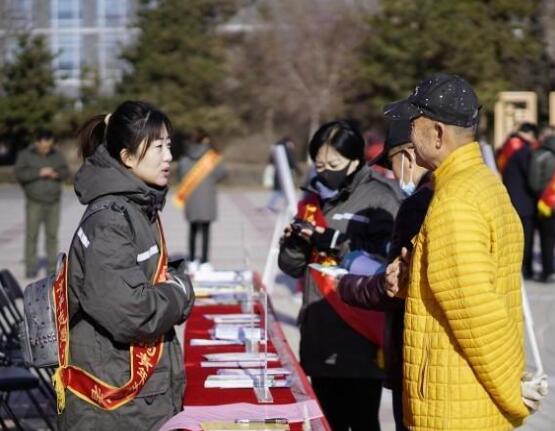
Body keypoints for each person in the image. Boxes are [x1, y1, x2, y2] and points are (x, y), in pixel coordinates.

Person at [384, 73, 530, 430]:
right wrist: (410, 278)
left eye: (413, 125)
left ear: (437, 133)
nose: (408, 136)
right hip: (468, 397)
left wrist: (513, 394)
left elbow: (478, 314)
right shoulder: (483, 184)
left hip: (454, 404)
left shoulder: (455, 202)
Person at [56, 101, 195, 430]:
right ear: (127, 157)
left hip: (135, 397)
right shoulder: (110, 220)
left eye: (169, 146)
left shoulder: (136, 207)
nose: (168, 157)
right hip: (114, 403)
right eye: (158, 147)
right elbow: (132, 313)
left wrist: (171, 283)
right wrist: (181, 292)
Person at [278, 120, 402, 431]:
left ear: (355, 160)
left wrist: (333, 241)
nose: (325, 172)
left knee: (361, 420)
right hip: (320, 329)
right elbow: (293, 268)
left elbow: (388, 259)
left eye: (334, 165)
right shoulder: (313, 198)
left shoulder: (380, 197)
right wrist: (294, 244)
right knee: (326, 422)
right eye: (319, 165)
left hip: (361, 330)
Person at [338, 118, 431, 431]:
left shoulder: (418, 203)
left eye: (391, 163)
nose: (393, 173)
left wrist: (347, 285)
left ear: (407, 154)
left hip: (416, 352)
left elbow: (397, 286)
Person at [14, 129, 69, 278]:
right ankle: (31, 268)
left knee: (52, 236)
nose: (46, 149)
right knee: (32, 235)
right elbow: (19, 174)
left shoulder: (57, 155)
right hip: (34, 202)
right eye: (44, 146)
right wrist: (39, 173)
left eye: (49, 146)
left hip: (53, 202)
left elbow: (65, 172)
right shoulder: (26, 155)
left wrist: (56, 174)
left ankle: (52, 268)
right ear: (37, 142)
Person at [177, 128, 226, 272]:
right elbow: (222, 173)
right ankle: (204, 261)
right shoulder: (211, 158)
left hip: (191, 199)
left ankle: (192, 260)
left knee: (192, 230)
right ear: (205, 140)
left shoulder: (184, 158)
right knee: (206, 231)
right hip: (207, 199)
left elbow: (180, 175)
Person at [497, 122, 539, 278]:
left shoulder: (507, 146)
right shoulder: (524, 150)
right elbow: (531, 177)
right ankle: (526, 267)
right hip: (525, 202)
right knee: (526, 237)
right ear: (530, 134)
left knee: (512, 237)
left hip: (510, 198)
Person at [529, 131, 555, 282]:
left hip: (546, 203)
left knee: (547, 238)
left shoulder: (539, 156)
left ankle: (548, 271)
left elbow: (534, 183)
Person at [265, 137, 299, 212]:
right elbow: (292, 162)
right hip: (285, 174)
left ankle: (274, 206)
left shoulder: (277, 149)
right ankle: (270, 206)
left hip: (278, 173)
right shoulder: (286, 150)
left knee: (281, 191)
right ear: (289, 142)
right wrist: (298, 171)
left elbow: (271, 160)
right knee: (281, 191)